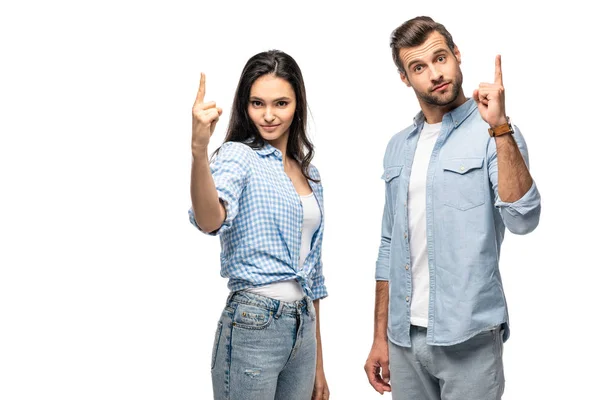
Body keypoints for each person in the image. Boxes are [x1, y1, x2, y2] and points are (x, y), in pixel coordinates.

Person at [364, 16, 541, 400]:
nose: (435, 74)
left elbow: (524, 218)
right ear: (405, 78)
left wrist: (500, 128)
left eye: (440, 58)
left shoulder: (493, 131)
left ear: (457, 56)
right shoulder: (398, 146)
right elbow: (388, 244)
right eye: (419, 67)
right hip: (404, 340)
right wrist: (380, 335)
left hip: (470, 338)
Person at [188, 50, 329, 400]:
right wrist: (198, 151)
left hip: (303, 329)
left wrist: (319, 368)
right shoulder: (239, 156)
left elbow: (313, 276)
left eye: (281, 103)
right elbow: (210, 220)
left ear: (298, 104)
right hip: (254, 322)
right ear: (245, 106)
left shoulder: (310, 174)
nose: (268, 115)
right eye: (257, 103)